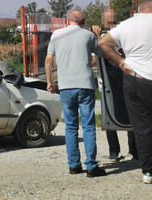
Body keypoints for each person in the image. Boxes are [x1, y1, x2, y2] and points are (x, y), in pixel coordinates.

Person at [45, 10, 106, 177]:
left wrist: (50, 82)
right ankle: (92, 167)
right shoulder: (88, 35)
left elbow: (49, 59)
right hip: (85, 86)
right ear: (83, 22)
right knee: (88, 126)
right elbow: (101, 55)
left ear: (68, 21)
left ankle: (74, 165)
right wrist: (97, 36)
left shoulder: (56, 34)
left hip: (65, 86)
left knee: (71, 127)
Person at [99, 1, 152, 184]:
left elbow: (103, 43)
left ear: (137, 11)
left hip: (135, 78)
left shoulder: (127, 25)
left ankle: (148, 172)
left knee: (142, 127)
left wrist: (121, 62)